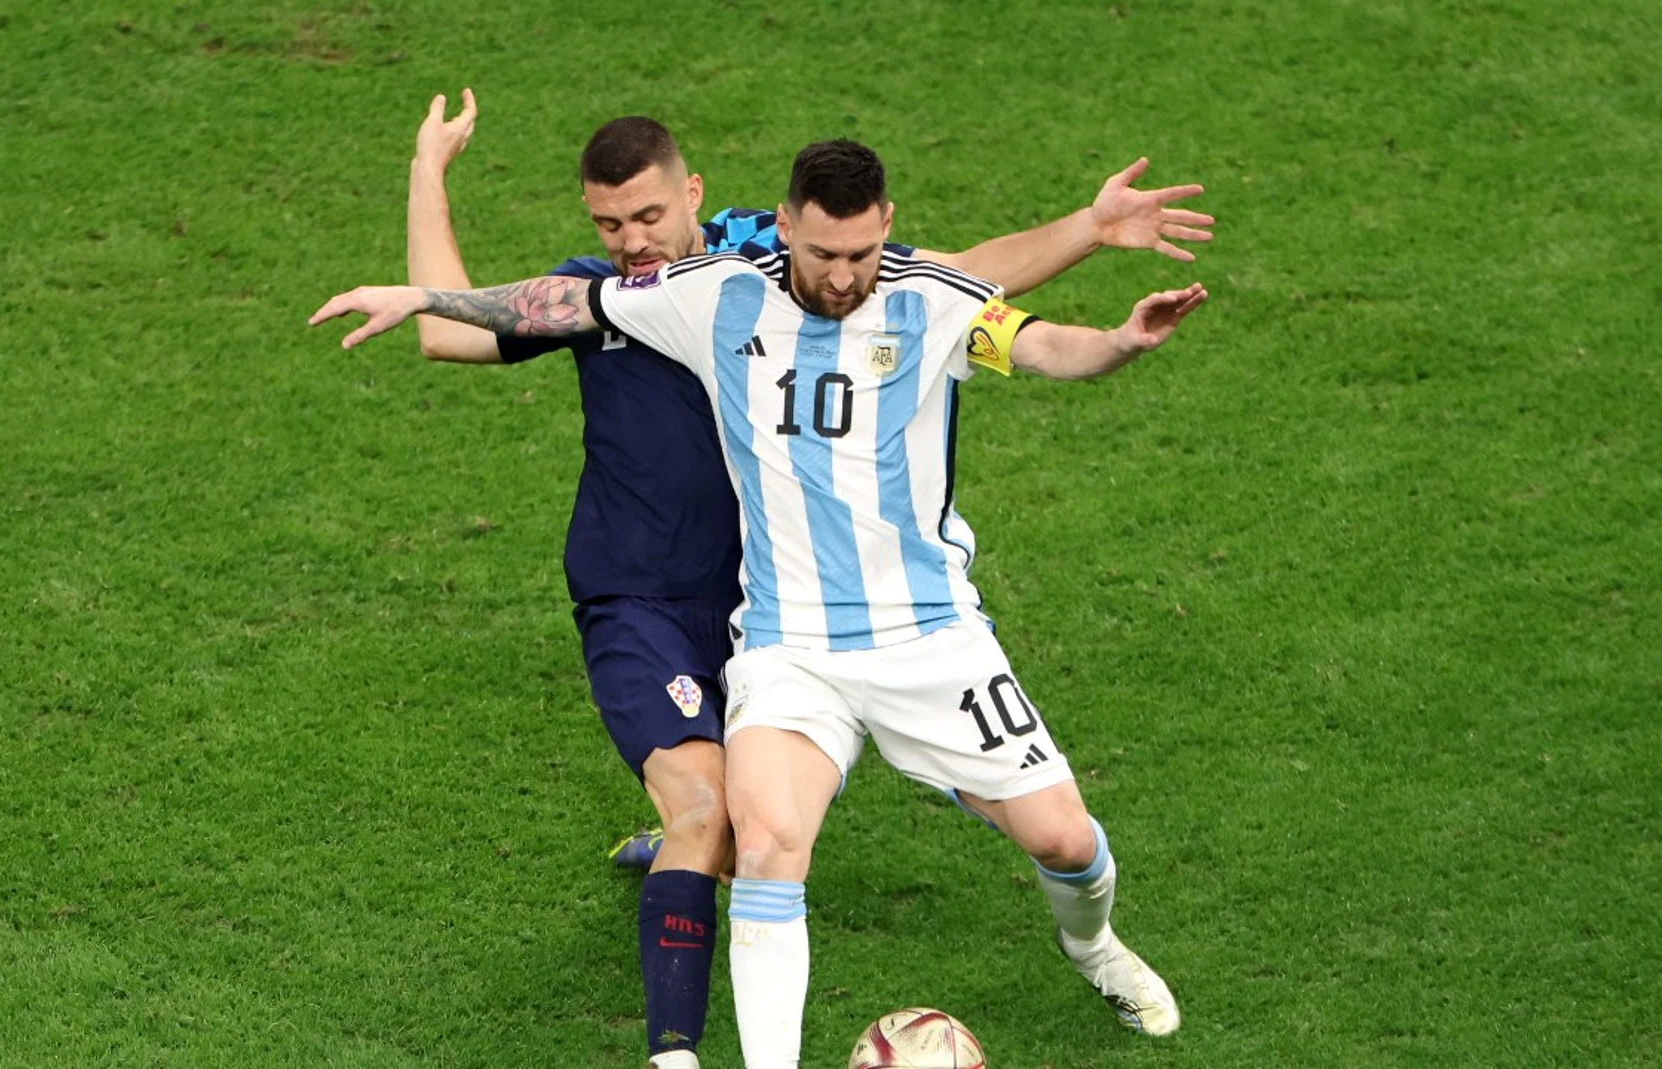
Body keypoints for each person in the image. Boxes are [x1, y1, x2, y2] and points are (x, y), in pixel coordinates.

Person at [313, 137, 1209, 1067]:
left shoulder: (923, 299)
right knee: (769, 842)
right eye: (825, 255)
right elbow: (555, 303)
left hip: (930, 637)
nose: (844, 275)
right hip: (786, 642)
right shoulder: (712, 294)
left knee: (1063, 836)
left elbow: (1034, 338)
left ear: (886, 230)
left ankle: (1092, 944)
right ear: (787, 231)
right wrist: (420, 294)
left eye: (861, 254)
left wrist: (1117, 337)